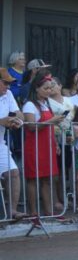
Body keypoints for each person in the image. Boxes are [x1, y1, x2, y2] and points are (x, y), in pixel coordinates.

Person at [21, 72, 63, 218]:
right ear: (37, 88)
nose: (49, 91)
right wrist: (52, 121)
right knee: (33, 179)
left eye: (50, 88)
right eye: (46, 88)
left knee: (47, 178)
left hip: (48, 145)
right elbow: (31, 126)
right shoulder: (29, 104)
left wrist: (56, 143)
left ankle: (49, 211)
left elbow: (50, 128)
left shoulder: (46, 104)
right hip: (34, 146)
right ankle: (33, 212)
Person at [0, 75, 24, 219]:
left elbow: (19, 113)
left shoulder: (8, 94)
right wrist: (3, 121)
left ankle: (12, 211)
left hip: (0, 143)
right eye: (5, 83)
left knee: (14, 173)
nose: (8, 87)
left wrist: (17, 120)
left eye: (10, 84)